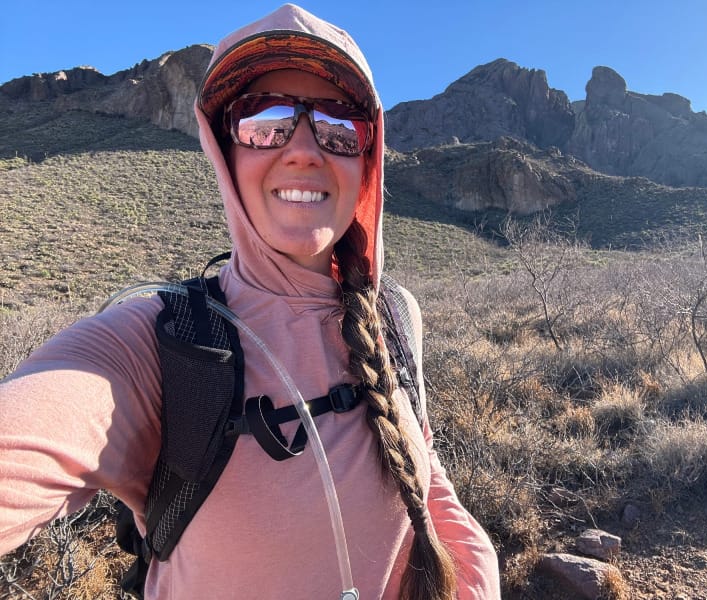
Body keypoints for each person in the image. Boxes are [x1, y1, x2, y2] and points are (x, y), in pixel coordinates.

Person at [0, 4, 501, 598]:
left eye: (339, 125)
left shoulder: (393, 313)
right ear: (225, 152)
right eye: (266, 119)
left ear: (367, 157)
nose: (305, 149)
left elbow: (425, 473)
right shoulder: (157, 344)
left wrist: (477, 576)